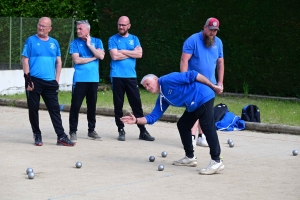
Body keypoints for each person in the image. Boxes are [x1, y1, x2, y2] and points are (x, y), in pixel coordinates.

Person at [121, 70, 224, 175]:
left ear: (156, 79)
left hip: (203, 96)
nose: (147, 88)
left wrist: (213, 86)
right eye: (145, 87)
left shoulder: (167, 80)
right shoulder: (162, 98)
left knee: (207, 127)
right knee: (183, 125)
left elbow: (194, 75)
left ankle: (217, 161)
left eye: (148, 84)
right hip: (194, 105)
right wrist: (136, 120)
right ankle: (190, 157)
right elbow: (152, 117)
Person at [21, 17, 75, 146]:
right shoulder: (31, 41)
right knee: (33, 109)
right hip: (34, 81)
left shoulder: (54, 43)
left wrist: (56, 80)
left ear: (49, 28)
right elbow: (25, 60)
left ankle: (61, 136)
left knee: (54, 109)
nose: (40, 28)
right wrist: (28, 80)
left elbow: (59, 62)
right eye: (39, 25)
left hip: (50, 82)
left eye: (44, 26)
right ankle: (37, 135)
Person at [108, 16, 155, 142]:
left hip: (131, 77)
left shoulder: (134, 39)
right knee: (118, 105)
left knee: (136, 104)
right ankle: (121, 129)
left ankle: (142, 131)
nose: (121, 27)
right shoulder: (112, 39)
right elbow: (114, 56)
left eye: (123, 25)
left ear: (129, 25)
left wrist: (122, 51)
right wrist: (130, 52)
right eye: (119, 25)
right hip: (117, 76)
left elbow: (139, 54)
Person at [180, 17, 224, 147]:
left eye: (215, 30)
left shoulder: (218, 42)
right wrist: (184, 79)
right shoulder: (192, 40)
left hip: (211, 83)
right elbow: (184, 60)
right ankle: (192, 136)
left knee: (207, 111)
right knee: (194, 109)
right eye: (211, 30)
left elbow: (220, 62)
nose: (212, 33)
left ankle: (201, 136)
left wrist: (220, 82)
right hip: (195, 83)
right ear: (205, 27)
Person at [68, 20, 105, 142]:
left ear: (87, 30)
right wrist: (93, 57)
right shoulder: (74, 43)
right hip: (80, 79)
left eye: (80, 29)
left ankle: (91, 130)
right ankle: (73, 131)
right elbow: (77, 60)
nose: (78, 31)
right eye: (77, 29)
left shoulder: (97, 41)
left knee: (92, 106)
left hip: (93, 79)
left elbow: (102, 56)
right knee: (75, 106)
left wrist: (90, 46)